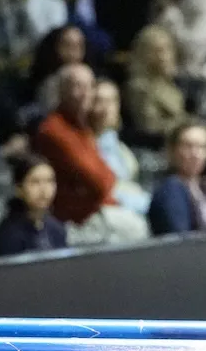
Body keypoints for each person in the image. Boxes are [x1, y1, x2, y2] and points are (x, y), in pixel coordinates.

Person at [34, 64, 148, 245]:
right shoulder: (54, 129)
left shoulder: (83, 127)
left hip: (99, 211)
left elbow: (106, 177)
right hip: (75, 221)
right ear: (62, 91)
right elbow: (97, 181)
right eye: (77, 86)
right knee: (138, 228)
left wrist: (105, 178)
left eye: (90, 86)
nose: (85, 92)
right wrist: (104, 178)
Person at [148, 120, 206, 236]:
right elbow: (182, 242)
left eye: (202, 147)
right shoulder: (171, 189)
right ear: (172, 150)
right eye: (187, 146)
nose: (195, 154)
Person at [125, 25, 195, 145]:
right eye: (158, 51)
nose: (166, 56)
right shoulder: (140, 88)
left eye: (169, 49)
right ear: (145, 54)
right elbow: (150, 127)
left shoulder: (170, 84)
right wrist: (185, 124)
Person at [90, 79, 151, 218]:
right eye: (99, 100)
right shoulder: (86, 145)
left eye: (111, 101)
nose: (106, 107)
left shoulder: (118, 145)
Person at [0, 153, 66, 257]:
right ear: (19, 188)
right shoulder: (9, 235)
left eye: (50, 181)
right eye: (35, 182)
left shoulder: (57, 228)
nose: (44, 189)